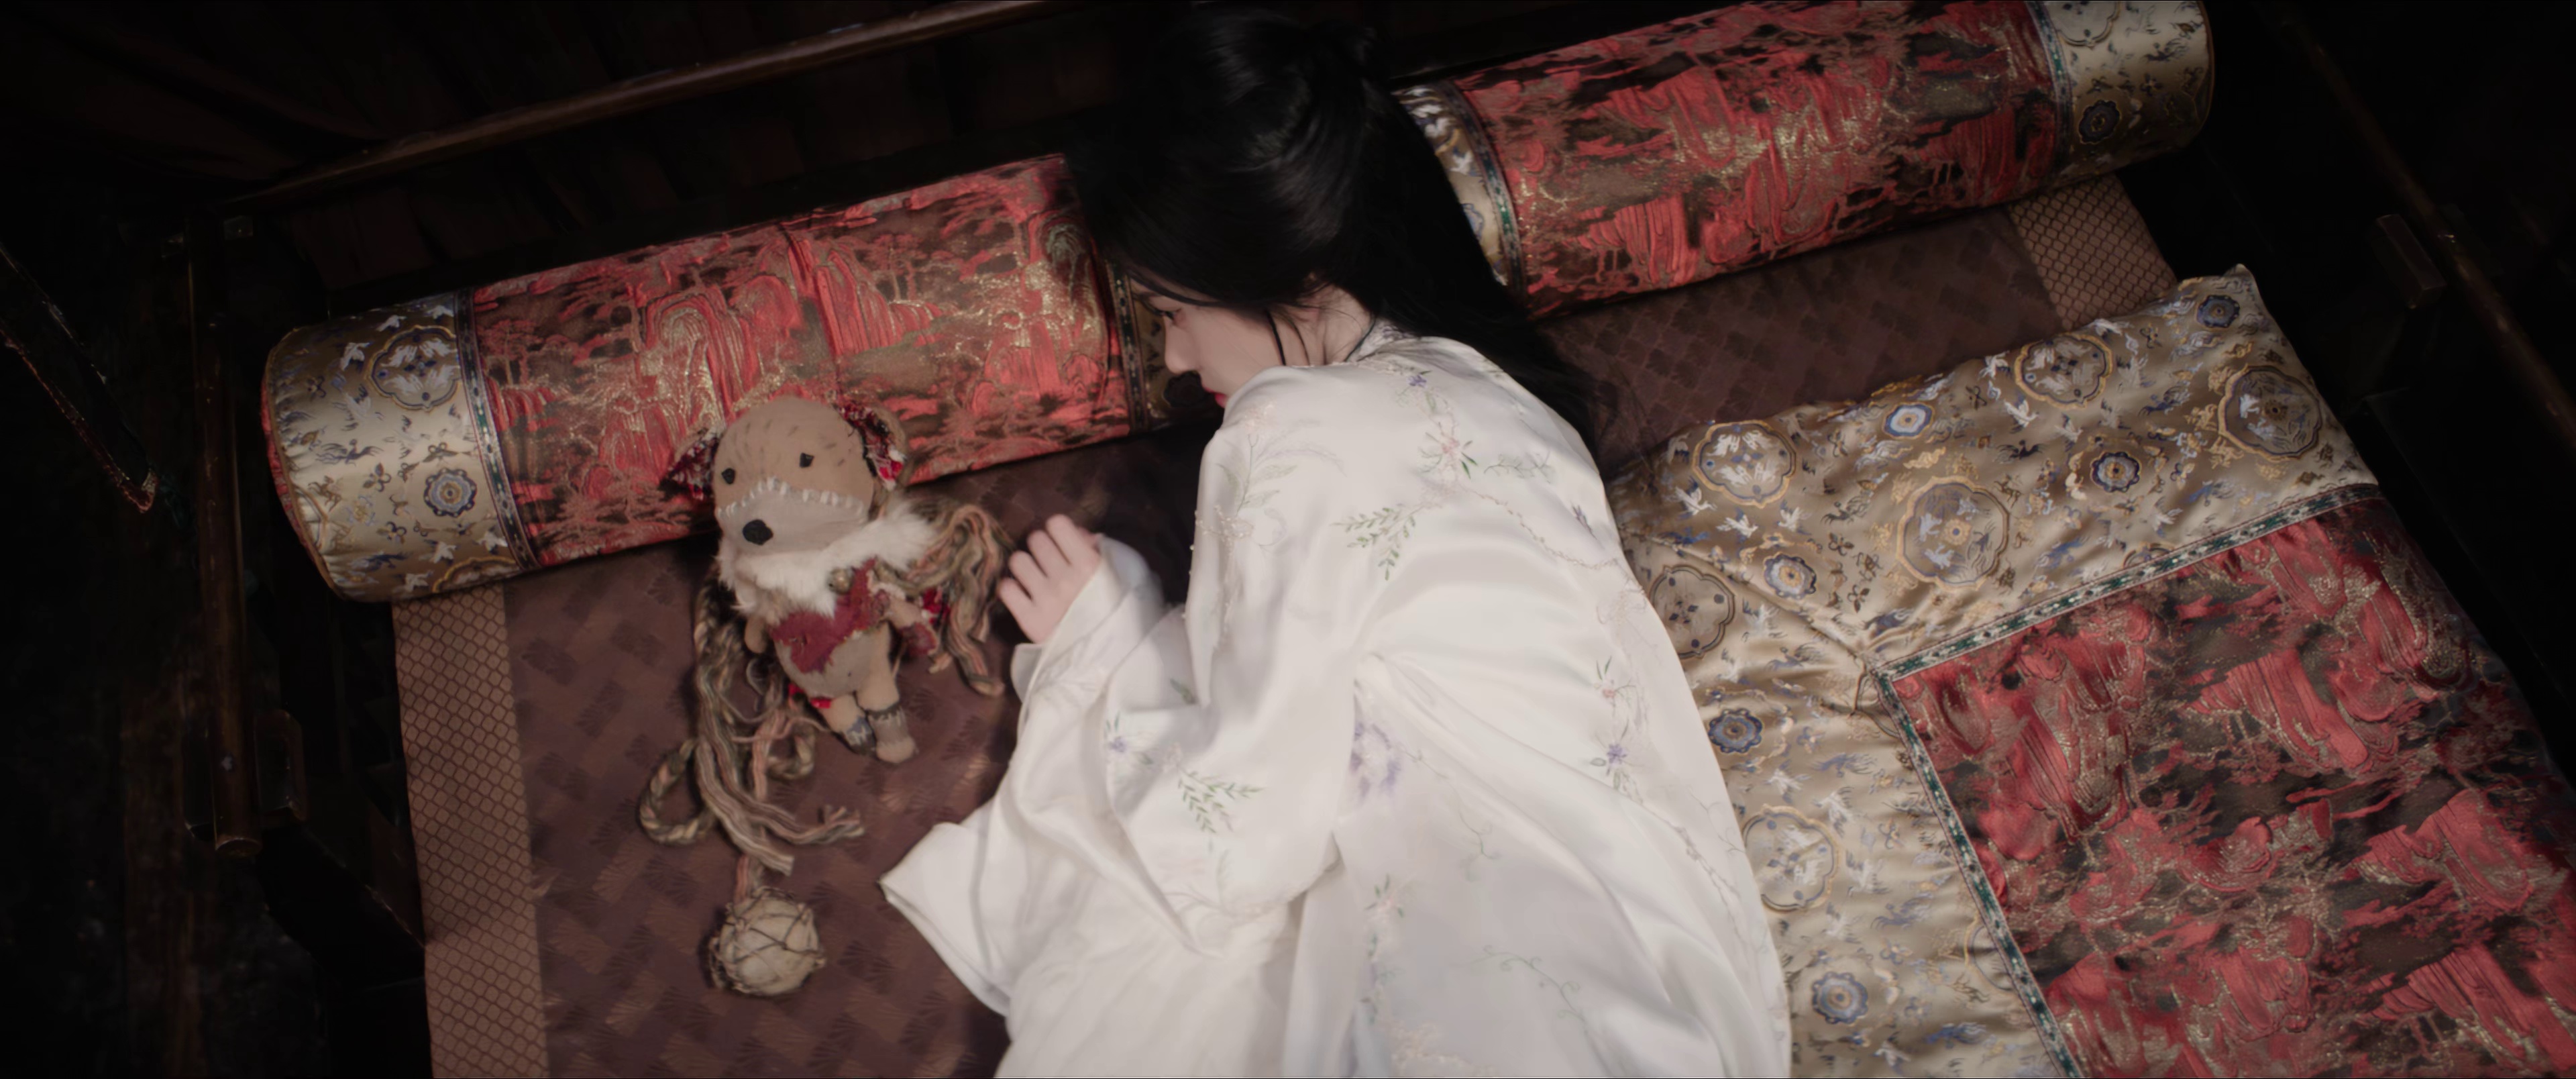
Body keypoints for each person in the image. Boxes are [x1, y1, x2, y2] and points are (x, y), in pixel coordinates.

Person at [881, 9, 1788, 1075]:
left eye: (1171, 311)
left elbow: (1246, 824)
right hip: (1678, 965)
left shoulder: (1285, 428)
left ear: (1290, 276)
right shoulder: (1503, 397)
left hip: (1504, 967)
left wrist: (1103, 648)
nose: (1176, 361)